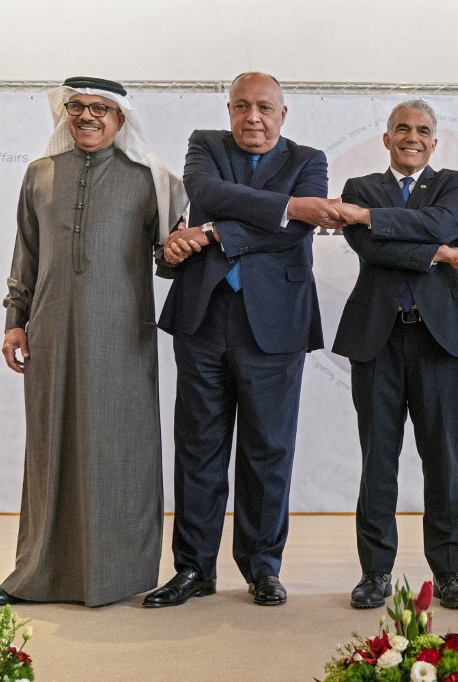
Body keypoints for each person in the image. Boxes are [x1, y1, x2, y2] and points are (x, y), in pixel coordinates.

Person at [0, 76, 186, 608]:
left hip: (122, 335)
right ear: (65, 112)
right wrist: (13, 320)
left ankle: (118, 575)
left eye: (100, 109)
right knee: (49, 447)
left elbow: (166, 264)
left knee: (118, 450)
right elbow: (25, 253)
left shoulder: (150, 180)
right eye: (77, 107)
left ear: (121, 120)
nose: (87, 116)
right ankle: (36, 573)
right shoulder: (40, 175)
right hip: (48, 331)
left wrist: (181, 245)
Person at [144, 72, 341, 608]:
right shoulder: (204, 146)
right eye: (242, 106)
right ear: (229, 109)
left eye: (264, 108)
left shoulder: (310, 159)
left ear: (284, 113)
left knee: (268, 450)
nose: (253, 117)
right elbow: (206, 192)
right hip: (204, 317)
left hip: (275, 324)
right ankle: (194, 569)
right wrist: (282, 206)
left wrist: (211, 232)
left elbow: (298, 228)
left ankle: (261, 567)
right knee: (198, 447)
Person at [331, 100, 458, 610]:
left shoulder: (455, 183)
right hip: (376, 338)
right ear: (387, 138)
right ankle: (374, 572)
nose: (411, 136)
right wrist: (439, 252)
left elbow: (445, 222)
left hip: (438, 338)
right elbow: (371, 249)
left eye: (422, 130)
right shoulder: (358, 188)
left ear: (434, 142)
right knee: (378, 460)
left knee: (442, 457)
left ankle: (449, 572)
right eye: (402, 129)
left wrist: (381, 221)